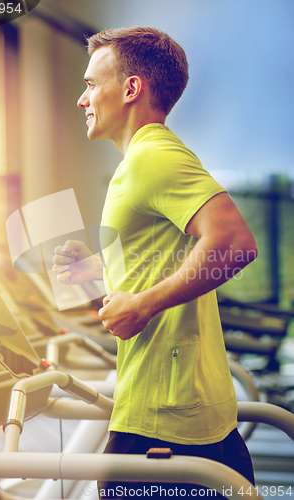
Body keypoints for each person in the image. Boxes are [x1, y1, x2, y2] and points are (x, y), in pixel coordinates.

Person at [53, 27, 257, 499]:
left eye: (89, 84)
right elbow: (153, 278)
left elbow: (234, 242)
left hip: (164, 423)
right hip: (186, 409)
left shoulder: (152, 155)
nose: (82, 99)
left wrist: (142, 304)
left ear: (130, 88)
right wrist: (97, 281)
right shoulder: (142, 163)